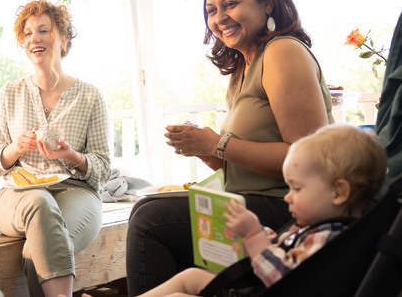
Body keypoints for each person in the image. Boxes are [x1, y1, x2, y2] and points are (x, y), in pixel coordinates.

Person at [126, 0, 334, 295]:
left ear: (267, 1)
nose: (219, 18)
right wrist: (206, 153)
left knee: (152, 220)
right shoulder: (242, 69)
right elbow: (244, 163)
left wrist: (215, 144)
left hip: (289, 209)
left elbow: (307, 160)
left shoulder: (283, 52)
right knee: (149, 207)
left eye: (231, 4)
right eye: (211, 10)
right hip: (249, 201)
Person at [138, 124, 387, 296]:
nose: (288, 196)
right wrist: (263, 236)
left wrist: (255, 238)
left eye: (297, 189)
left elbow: (286, 281)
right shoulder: (317, 228)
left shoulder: (331, 240)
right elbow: (285, 254)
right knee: (191, 277)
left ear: (339, 192)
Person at [0, 0, 111, 297]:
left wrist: (71, 155)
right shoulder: (9, 93)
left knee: (38, 246)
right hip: (17, 194)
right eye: (28, 34)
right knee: (39, 203)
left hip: (75, 192)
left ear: (63, 38)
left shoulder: (90, 96)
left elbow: (103, 169)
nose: (34, 39)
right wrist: (15, 148)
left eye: (44, 30)